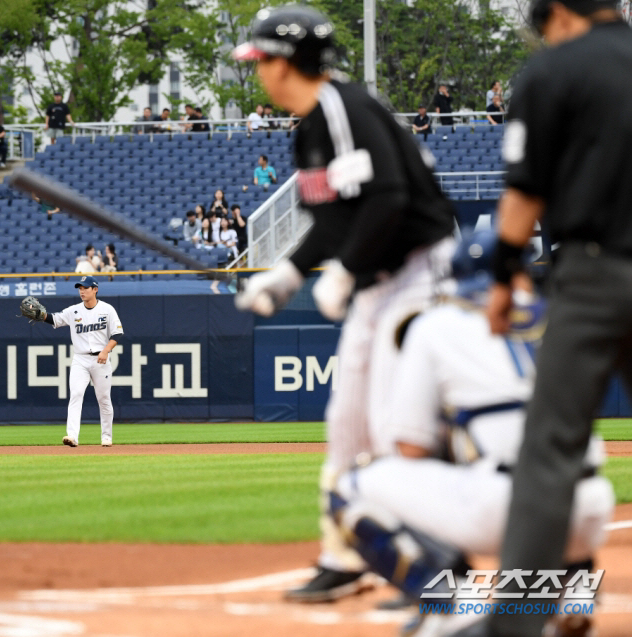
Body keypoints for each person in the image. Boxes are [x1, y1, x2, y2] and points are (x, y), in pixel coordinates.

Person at [233, 4, 455, 602]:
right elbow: (333, 223)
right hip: (380, 279)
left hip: (421, 273)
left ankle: (436, 561)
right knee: (346, 423)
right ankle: (346, 554)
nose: (258, 74)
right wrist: (287, 275)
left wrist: (344, 273)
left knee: (393, 426)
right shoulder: (309, 128)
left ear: (285, 64)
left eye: (262, 63)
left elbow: (389, 199)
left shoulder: (343, 108)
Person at [451, 1, 632, 636]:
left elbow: (524, 193)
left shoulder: (553, 71)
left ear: (556, 14)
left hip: (594, 273)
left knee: (550, 447)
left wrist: (503, 277)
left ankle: (517, 623)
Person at [331, 232, 614, 637]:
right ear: (520, 274)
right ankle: (570, 595)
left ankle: (452, 606)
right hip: (590, 512)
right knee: (561, 468)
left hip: (508, 509)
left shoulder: (437, 324)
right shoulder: (560, 315)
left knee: (351, 485)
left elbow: (411, 446)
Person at [19, 275, 124, 447]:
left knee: (104, 398)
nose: (82, 291)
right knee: (76, 395)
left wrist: (106, 350)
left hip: (100, 359)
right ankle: (72, 436)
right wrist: (41, 315)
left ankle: (106, 436)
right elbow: (55, 318)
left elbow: (117, 333)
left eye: (86, 288)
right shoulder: (74, 311)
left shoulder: (107, 309)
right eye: (80, 288)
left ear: (95, 289)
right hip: (80, 359)